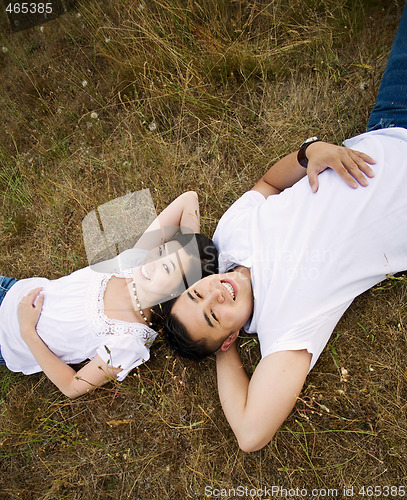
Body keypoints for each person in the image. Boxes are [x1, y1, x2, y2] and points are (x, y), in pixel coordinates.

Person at [164, 5, 407, 452]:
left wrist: (309, 152)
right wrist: (225, 354)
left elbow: (269, 182)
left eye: (198, 293)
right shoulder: (285, 327)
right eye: (215, 316)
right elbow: (250, 434)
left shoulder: (227, 238)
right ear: (231, 337)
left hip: (392, 121)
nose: (216, 295)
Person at [0, 191, 218, 398]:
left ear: (176, 292)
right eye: (161, 250)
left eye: (168, 268)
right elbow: (188, 200)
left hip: (8, 340)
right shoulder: (131, 264)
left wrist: (27, 329)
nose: (153, 262)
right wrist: (192, 251)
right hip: (9, 289)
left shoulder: (129, 341)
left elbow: (73, 385)